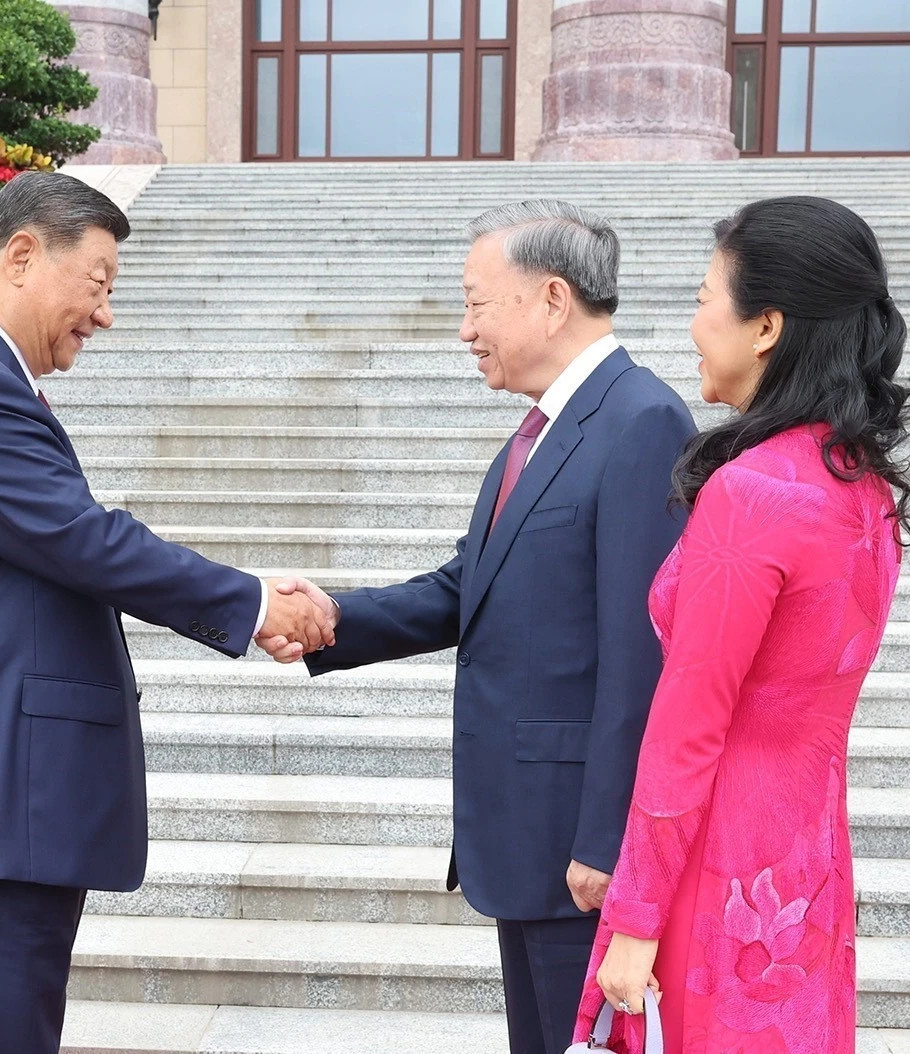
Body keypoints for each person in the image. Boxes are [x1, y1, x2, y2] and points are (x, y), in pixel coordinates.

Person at [0, 171, 333, 1054]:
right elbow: (82, 540)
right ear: (25, 255)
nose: (104, 314)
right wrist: (253, 600)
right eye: (100, 283)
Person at [275, 200, 696, 1054]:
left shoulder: (639, 421)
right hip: (523, 829)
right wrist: (329, 618)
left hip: (576, 845)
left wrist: (610, 839)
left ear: (549, 298)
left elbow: (640, 651)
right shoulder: (544, 429)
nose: (464, 330)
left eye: (475, 303)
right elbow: (469, 586)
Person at [577, 196, 910, 1054]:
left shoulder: (752, 492)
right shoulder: (859, 485)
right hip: (807, 852)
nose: (691, 323)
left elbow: (690, 723)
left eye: (701, 297)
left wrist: (636, 916)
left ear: (764, 326)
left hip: (720, 861)